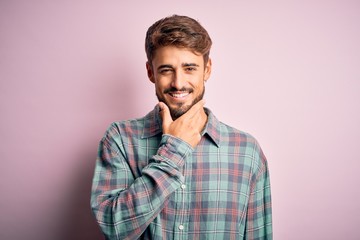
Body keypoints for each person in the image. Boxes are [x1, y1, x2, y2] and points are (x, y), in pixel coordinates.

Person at [91, 14, 272, 239]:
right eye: (167, 69)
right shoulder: (119, 139)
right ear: (150, 72)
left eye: (189, 68)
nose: (178, 82)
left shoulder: (247, 151)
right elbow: (113, 228)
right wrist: (173, 151)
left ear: (207, 70)